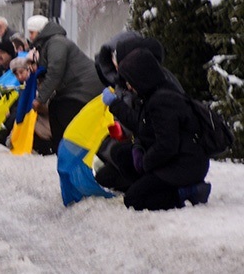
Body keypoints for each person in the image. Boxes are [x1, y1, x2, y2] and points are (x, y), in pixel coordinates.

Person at [107, 48, 211, 210]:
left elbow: (167, 145)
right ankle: (151, 186)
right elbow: (142, 126)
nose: (128, 86)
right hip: (173, 157)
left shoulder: (162, 101)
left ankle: (187, 191)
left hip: (185, 164)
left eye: (130, 81)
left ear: (140, 77)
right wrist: (137, 149)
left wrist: (144, 162)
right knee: (121, 153)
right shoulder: (150, 94)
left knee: (134, 200)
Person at [28, 15, 104, 154]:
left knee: (63, 110)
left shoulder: (56, 43)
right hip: (77, 87)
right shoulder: (51, 43)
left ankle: (67, 151)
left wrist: (40, 99)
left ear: (39, 31)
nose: (30, 37)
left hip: (84, 88)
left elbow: (55, 72)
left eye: (31, 32)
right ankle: (62, 151)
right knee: (56, 107)